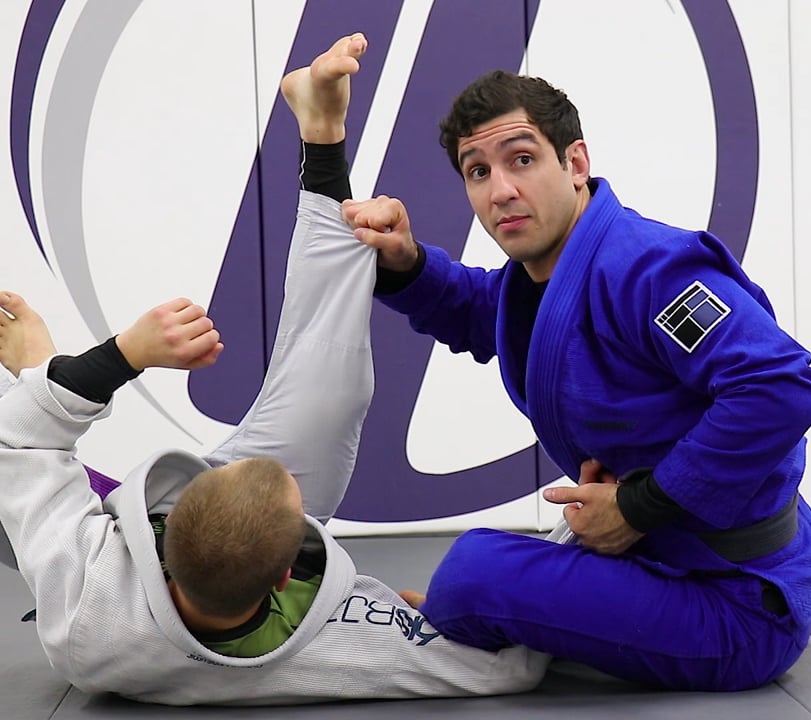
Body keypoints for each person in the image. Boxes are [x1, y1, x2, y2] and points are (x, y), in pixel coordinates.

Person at [0, 34, 547, 705]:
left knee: (20, 446)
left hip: (107, 583)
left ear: (166, 525)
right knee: (334, 394)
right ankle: (322, 134)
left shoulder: (86, 595)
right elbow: (508, 668)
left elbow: (18, 446)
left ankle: (35, 372)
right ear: (288, 574)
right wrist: (448, 621)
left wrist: (125, 354)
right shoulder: (335, 644)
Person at [341, 45, 811, 691]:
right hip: (682, 553)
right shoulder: (544, 272)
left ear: (575, 163)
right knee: (489, 576)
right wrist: (405, 262)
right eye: (478, 171)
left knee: (471, 576)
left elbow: (780, 387)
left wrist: (638, 506)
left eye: (521, 159)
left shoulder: (652, 270)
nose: (501, 191)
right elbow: (486, 312)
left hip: (730, 600)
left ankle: (774, 620)